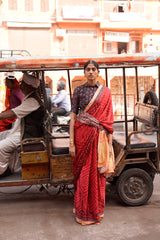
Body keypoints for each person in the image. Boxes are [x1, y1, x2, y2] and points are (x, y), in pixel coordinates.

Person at [69, 60, 115, 226]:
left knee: (97, 177)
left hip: (99, 140)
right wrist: (71, 142)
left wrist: (109, 146)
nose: (90, 72)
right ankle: (82, 211)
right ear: (84, 73)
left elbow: (109, 121)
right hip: (82, 139)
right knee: (83, 175)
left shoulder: (106, 92)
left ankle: (95, 211)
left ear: (98, 72)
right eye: (87, 69)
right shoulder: (79, 90)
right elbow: (73, 117)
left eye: (93, 69)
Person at [0, 73, 44, 177]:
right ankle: (7, 167)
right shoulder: (28, 98)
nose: (20, 85)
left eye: (22, 83)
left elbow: (13, 113)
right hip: (19, 130)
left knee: (1, 147)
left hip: (25, 134)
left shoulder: (33, 101)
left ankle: (2, 171)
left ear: (29, 87)